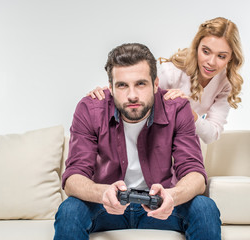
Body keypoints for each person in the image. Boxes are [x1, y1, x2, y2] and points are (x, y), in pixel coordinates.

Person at [54, 43, 221, 240]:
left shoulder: (177, 109)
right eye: (122, 85)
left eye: (141, 84)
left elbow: (194, 173)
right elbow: (73, 177)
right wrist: (103, 193)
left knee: (205, 207)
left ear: (156, 84)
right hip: (107, 205)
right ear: (111, 87)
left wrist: (172, 196)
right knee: (69, 210)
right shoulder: (89, 109)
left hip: (161, 204)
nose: (132, 95)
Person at [88, 17, 244, 144]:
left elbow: (211, 135)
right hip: (151, 139)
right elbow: (136, 96)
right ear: (196, 47)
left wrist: (188, 112)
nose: (211, 62)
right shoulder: (172, 73)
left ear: (231, 57)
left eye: (221, 56)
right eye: (206, 51)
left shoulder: (225, 84)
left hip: (182, 143)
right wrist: (106, 94)